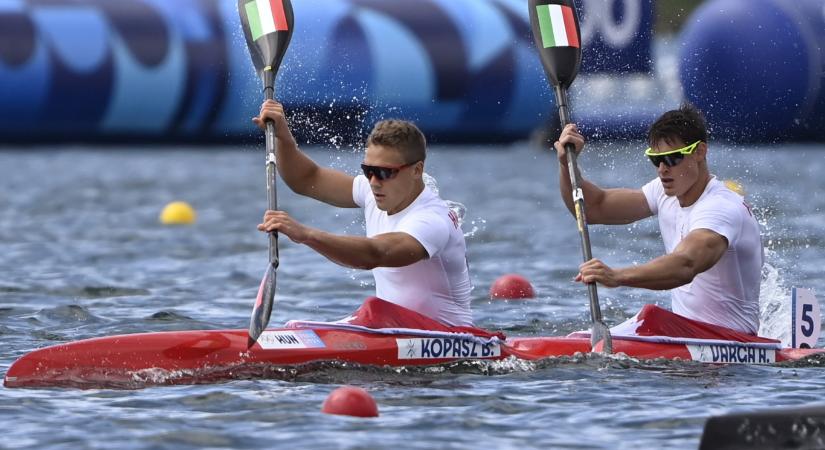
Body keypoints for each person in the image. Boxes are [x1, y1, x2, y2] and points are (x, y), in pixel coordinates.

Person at [253, 100, 473, 327]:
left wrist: (306, 234)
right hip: (393, 330)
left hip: (447, 338)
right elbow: (306, 179)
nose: (374, 183)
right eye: (368, 171)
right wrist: (282, 136)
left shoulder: (431, 220)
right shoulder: (373, 190)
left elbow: (376, 253)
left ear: (417, 170)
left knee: (371, 311)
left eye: (384, 173)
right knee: (306, 324)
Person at [554, 103, 763, 334]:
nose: (662, 169)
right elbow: (593, 208)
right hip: (687, 334)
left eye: (672, 159)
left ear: (700, 151)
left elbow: (686, 264)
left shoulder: (720, 208)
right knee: (587, 337)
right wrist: (566, 164)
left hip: (732, 340)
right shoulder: (664, 192)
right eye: (657, 160)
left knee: (649, 317)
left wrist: (616, 276)